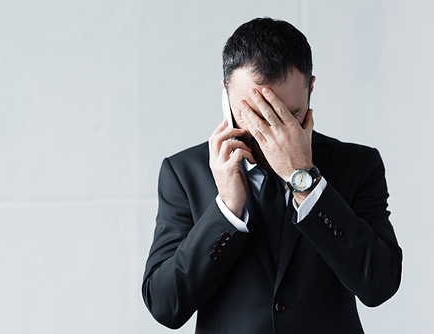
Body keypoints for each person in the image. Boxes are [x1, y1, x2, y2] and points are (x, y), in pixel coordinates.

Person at [142, 17, 402, 334]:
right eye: (253, 112)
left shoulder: (358, 164)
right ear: (225, 92)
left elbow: (380, 285)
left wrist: (306, 182)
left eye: (288, 115)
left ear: (311, 88)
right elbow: (166, 305)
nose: (271, 131)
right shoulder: (184, 172)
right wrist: (226, 210)